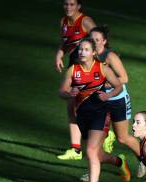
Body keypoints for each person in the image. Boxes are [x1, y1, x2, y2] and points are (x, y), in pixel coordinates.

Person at [59, 37, 131, 182]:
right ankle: (119, 161)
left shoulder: (102, 68)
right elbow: (61, 91)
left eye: (85, 49)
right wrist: (69, 94)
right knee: (95, 154)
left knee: (91, 151)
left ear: (93, 52)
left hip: (100, 114)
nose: (82, 52)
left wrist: (108, 95)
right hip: (82, 116)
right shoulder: (73, 70)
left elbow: (118, 85)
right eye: (80, 49)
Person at [90, 25, 146, 178]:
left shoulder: (110, 57)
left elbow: (124, 79)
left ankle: (144, 159)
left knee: (122, 137)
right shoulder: (87, 55)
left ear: (104, 41)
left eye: (97, 39)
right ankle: (92, 171)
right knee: (94, 139)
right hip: (99, 101)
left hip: (117, 100)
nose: (94, 42)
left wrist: (102, 84)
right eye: (91, 39)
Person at [55, 0, 96, 161]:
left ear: (79, 6)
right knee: (72, 106)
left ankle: (106, 135)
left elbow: (98, 41)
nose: (68, 7)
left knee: (89, 107)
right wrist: (59, 53)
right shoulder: (63, 22)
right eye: (66, 4)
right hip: (74, 67)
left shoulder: (85, 21)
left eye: (72, 4)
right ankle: (76, 149)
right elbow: (65, 42)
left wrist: (103, 62)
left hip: (88, 69)